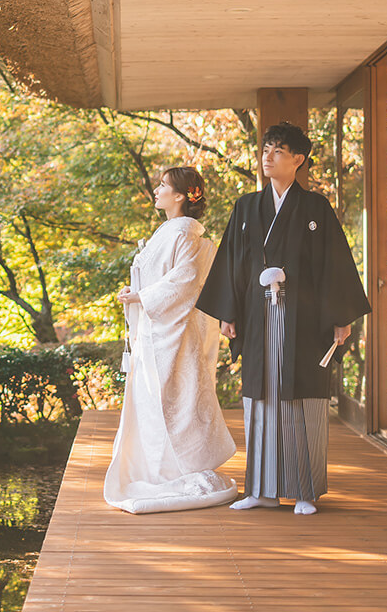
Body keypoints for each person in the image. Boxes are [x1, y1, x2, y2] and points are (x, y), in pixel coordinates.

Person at [196, 121, 370, 515]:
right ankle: (260, 489)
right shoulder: (246, 207)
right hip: (258, 316)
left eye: (277, 151)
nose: (267, 157)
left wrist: (341, 317)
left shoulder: (315, 209)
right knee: (261, 397)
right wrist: (229, 311)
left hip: (304, 318)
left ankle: (304, 491)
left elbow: (334, 265)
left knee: (303, 398)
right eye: (265, 150)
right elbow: (233, 262)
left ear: (298, 160)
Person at [103, 166, 239, 514]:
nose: (157, 190)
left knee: (175, 399)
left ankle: (177, 469)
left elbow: (186, 281)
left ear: (180, 195)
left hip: (173, 332)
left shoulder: (185, 234)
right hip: (155, 329)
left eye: (163, 185)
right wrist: (135, 293)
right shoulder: (170, 231)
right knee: (153, 400)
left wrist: (142, 297)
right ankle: (155, 468)